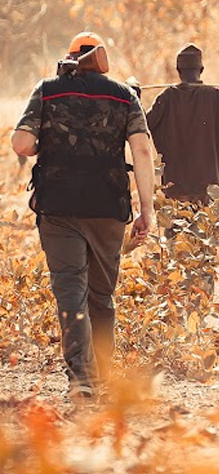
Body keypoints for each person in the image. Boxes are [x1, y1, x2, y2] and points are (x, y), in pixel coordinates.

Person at [11, 31, 154, 397]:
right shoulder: (124, 96)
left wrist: (50, 139)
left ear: (69, 59)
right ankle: (103, 375)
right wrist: (146, 210)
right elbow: (141, 153)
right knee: (102, 297)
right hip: (108, 208)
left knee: (70, 291)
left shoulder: (48, 89)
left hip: (58, 207)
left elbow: (22, 143)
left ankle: (83, 380)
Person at [146, 43, 219, 204]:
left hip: (176, 194)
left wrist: (134, 98)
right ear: (201, 69)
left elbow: (142, 127)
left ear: (178, 70)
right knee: (209, 229)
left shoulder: (166, 98)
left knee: (176, 229)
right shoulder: (214, 97)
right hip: (210, 193)